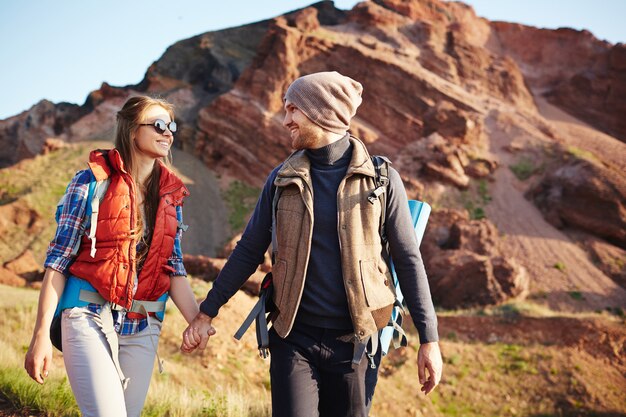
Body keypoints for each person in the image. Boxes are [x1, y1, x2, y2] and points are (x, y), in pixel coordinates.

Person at [182, 71, 443, 417]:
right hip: (294, 339)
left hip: (356, 345)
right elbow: (248, 250)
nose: (285, 119)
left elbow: (409, 260)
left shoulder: (381, 179)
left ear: (322, 112)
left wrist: (430, 340)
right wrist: (205, 313)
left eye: (293, 110)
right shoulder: (281, 179)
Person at [24, 96, 200, 417]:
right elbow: (58, 261)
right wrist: (40, 338)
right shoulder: (90, 182)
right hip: (86, 313)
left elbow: (174, 268)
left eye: (172, 126)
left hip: (143, 325)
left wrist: (198, 321)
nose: (168, 133)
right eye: (159, 125)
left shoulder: (172, 196)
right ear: (133, 130)